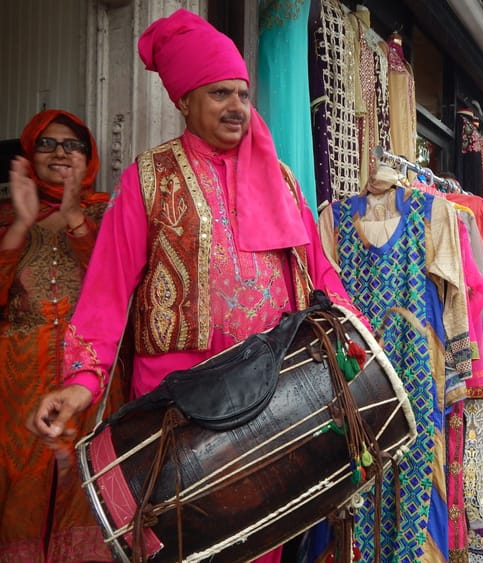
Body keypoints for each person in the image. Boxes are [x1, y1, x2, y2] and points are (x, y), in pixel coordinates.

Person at [29, 9, 360, 563]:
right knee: (186, 542)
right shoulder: (147, 178)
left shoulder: (280, 179)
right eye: (219, 94)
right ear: (184, 102)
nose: (236, 107)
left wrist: (350, 336)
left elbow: (318, 271)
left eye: (242, 94)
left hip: (271, 395)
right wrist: (82, 379)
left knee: (261, 539)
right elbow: (108, 293)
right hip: (177, 408)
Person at [0, 110, 114, 560]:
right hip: (16, 382)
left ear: (89, 156)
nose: (61, 153)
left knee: (84, 486)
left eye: (73, 144)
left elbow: (117, 284)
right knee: (19, 485)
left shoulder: (108, 212)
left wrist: (74, 218)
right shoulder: (7, 214)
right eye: (47, 143)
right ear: (29, 152)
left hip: (87, 377)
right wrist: (21, 226)